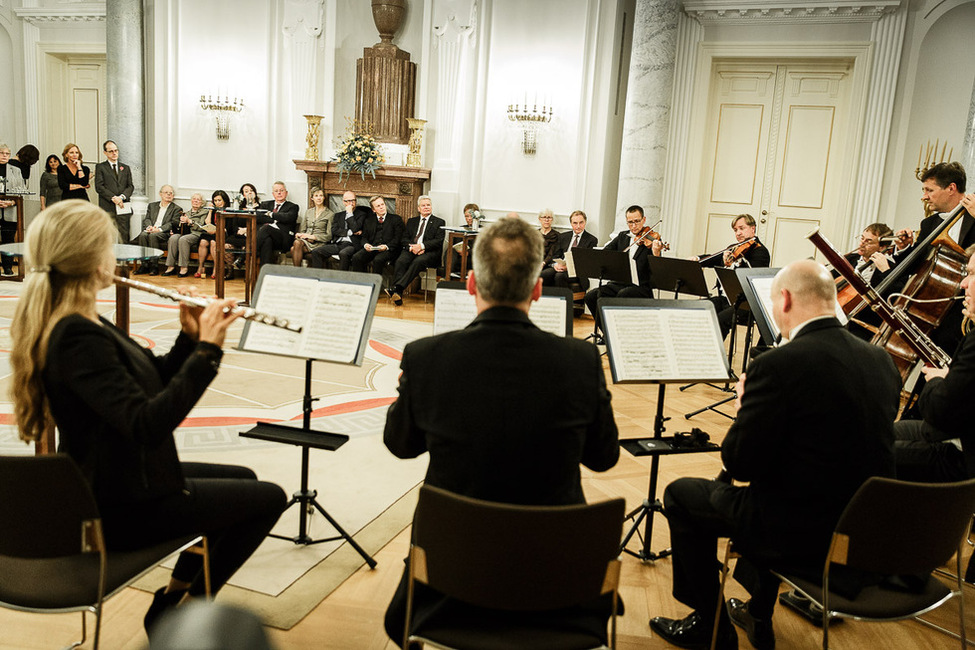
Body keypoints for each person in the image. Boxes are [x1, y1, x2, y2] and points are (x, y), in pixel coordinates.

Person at [8, 200, 286, 633]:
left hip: (123, 477)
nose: (113, 255)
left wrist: (189, 337)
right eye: (108, 247)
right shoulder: (75, 336)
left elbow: (150, 381)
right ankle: (186, 607)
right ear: (90, 259)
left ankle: (174, 597)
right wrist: (209, 352)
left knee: (246, 479)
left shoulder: (84, 321)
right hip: (116, 506)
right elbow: (148, 423)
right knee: (267, 498)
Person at [382, 216, 620, 646]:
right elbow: (604, 458)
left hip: (450, 581)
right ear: (538, 290)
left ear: (471, 284)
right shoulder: (579, 362)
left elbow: (400, 446)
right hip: (558, 585)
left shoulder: (426, 357)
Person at [648, 259, 900, 650]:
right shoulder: (880, 360)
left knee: (682, 494)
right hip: (861, 530)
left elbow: (739, 462)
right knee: (778, 484)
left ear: (783, 299)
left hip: (801, 532)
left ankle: (709, 627)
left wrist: (745, 407)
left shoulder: (779, 364)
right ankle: (757, 612)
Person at [894, 245, 975, 483]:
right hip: (957, 430)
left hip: (963, 457)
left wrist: (939, 380)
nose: (963, 284)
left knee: (867, 453)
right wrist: (953, 379)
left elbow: (940, 414)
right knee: (876, 434)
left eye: (971, 274)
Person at [583, 205, 663, 339]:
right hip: (619, 283)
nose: (634, 226)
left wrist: (656, 252)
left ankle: (622, 337)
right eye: (630, 222)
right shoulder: (622, 237)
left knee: (623, 294)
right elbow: (606, 253)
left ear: (643, 220)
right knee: (591, 296)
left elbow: (658, 268)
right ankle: (608, 335)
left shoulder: (652, 240)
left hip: (641, 287)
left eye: (637, 221)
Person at [695, 214, 771, 339]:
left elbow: (754, 277)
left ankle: (714, 353)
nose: (738, 233)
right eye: (735, 230)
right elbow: (714, 258)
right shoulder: (733, 248)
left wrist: (740, 261)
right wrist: (697, 259)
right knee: (699, 309)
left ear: (753, 228)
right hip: (725, 299)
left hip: (745, 304)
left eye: (742, 228)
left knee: (720, 320)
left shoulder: (760, 251)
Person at [839, 222, 895, 341]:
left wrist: (885, 271)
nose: (862, 244)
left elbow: (894, 298)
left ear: (882, 247)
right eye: (862, 238)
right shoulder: (850, 259)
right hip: (839, 319)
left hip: (865, 328)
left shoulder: (890, 268)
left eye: (868, 241)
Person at [386, 196, 445, 306]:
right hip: (411, 250)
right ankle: (397, 294)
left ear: (431, 207)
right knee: (401, 261)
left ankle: (397, 288)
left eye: (428, 205)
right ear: (418, 208)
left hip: (429, 253)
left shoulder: (439, 222)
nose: (426, 207)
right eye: (423, 205)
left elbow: (438, 241)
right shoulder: (412, 221)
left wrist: (421, 246)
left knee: (418, 262)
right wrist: (412, 248)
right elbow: (404, 238)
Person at [351, 195, 404, 283]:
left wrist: (386, 246)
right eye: (378, 206)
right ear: (373, 210)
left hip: (389, 249)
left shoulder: (396, 219)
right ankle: (361, 284)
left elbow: (398, 239)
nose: (381, 207)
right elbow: (364, 237)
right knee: (357, 257)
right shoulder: (368, 220)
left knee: (378, 260)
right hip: (373, 247)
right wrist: (365, 244)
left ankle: (375, 287)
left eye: (382, 204)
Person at [540, 209, 598, 288]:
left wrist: (568, 267)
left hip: (576, 271)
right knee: (543, 275)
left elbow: (586, 261)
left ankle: (562, 300)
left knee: (559, 276)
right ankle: (544, 299)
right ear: (571, 223)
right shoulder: (563, 236)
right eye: (575, 223)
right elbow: (555, 255)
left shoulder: (591, 240)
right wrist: (555, 265)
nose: (578, 226)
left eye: (581, 222)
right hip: (560, 266)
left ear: (585, 222)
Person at [133, 185, 183, 275]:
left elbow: (172, 223)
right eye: (166, 192)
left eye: (171, 193)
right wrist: (149, 227)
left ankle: (154, 266)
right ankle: (144, 264)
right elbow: (147, 219)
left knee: (153, 236)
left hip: (164, 233)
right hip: (151, 229)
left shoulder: (176, 209)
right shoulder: (152, 206)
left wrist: (159, 229)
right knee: (143, 235)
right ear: (160, 194)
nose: (169, 194)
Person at [310, 191, 365, 270]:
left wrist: (350, 213)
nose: (351, 203)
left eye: (353, 200)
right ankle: (317, 277)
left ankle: (341, 280)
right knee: (316, 251)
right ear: (343, 202)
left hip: (352, 244)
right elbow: (334, 230)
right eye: (348, 201)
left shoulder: (362, 215)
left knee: (343, 253)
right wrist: (350, 232)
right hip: (339, 243)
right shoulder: (338, 215)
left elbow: (355, 228)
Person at [94, 140, 135, 242]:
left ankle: (125, 257)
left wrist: (121, 197)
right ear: (105, 153)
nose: (114, 153)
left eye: (116, 150)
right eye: (111, 151)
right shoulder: (100, 167)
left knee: (124, 234)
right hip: (107, 206)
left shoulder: (125, 168)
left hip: (123, 205)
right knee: (107, 235)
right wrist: (113, 198)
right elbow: (99, 187)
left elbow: (130, 186)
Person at [164, 192, 209, 277]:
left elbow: (202, 227)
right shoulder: (186, 213)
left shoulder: (204, 213)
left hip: (197, 233)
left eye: (198, 200)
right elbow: (180, 227)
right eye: (194, 199)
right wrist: (175, 229)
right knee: (173, 238)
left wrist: (190, 222)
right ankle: (170, 266)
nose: (195, 201)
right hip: (185, 233)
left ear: (202, 203)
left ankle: (183, 268)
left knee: (183, 239)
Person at [255, 181, 299, 265]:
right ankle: (266, 274)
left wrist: (270, 214)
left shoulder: (293, 207)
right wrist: (275, 219)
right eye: (276, 191)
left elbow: (288, 218)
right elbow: (258, 217)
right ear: (273, 194)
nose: (279, 193)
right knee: (267, 241)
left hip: (283, 238)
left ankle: (251, 253)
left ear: (286, 193)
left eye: (281, 190)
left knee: (266, 228)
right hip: (268, 236)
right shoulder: (265, 204)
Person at [290, 187, 334, 267]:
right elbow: (302, 230)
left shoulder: (330, 214)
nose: (319, 198)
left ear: (324, 197)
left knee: (293, 249)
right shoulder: (308, 212)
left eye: (321, 195)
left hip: (319, 243)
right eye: (316, 196)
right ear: (312, 198)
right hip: (306, 241)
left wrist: (313, 237)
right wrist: (301, 235)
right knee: (297, 242)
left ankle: (296, 273)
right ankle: (297, 272)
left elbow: (329, 236)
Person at [0, 144, 26, 276]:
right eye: (1, 153)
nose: (4, 156)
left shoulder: (16, 170)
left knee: (8, 240)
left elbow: (21, 192)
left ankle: (8, 267)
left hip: (10, 211)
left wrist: (11, 202)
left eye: (7, 153)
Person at [197, 190, 231, 279]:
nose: (217, 203)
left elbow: (228, 228)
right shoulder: (214, 210)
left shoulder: (228, 211)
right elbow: (207, 222)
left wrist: (216, 230)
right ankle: (201, 266)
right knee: (203, 242)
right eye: (215, 201)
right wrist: (210, 211)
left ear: (224, 201)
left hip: (223, 233)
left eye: (219, 200)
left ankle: (217, 268)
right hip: (212, 232)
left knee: (213, 242)